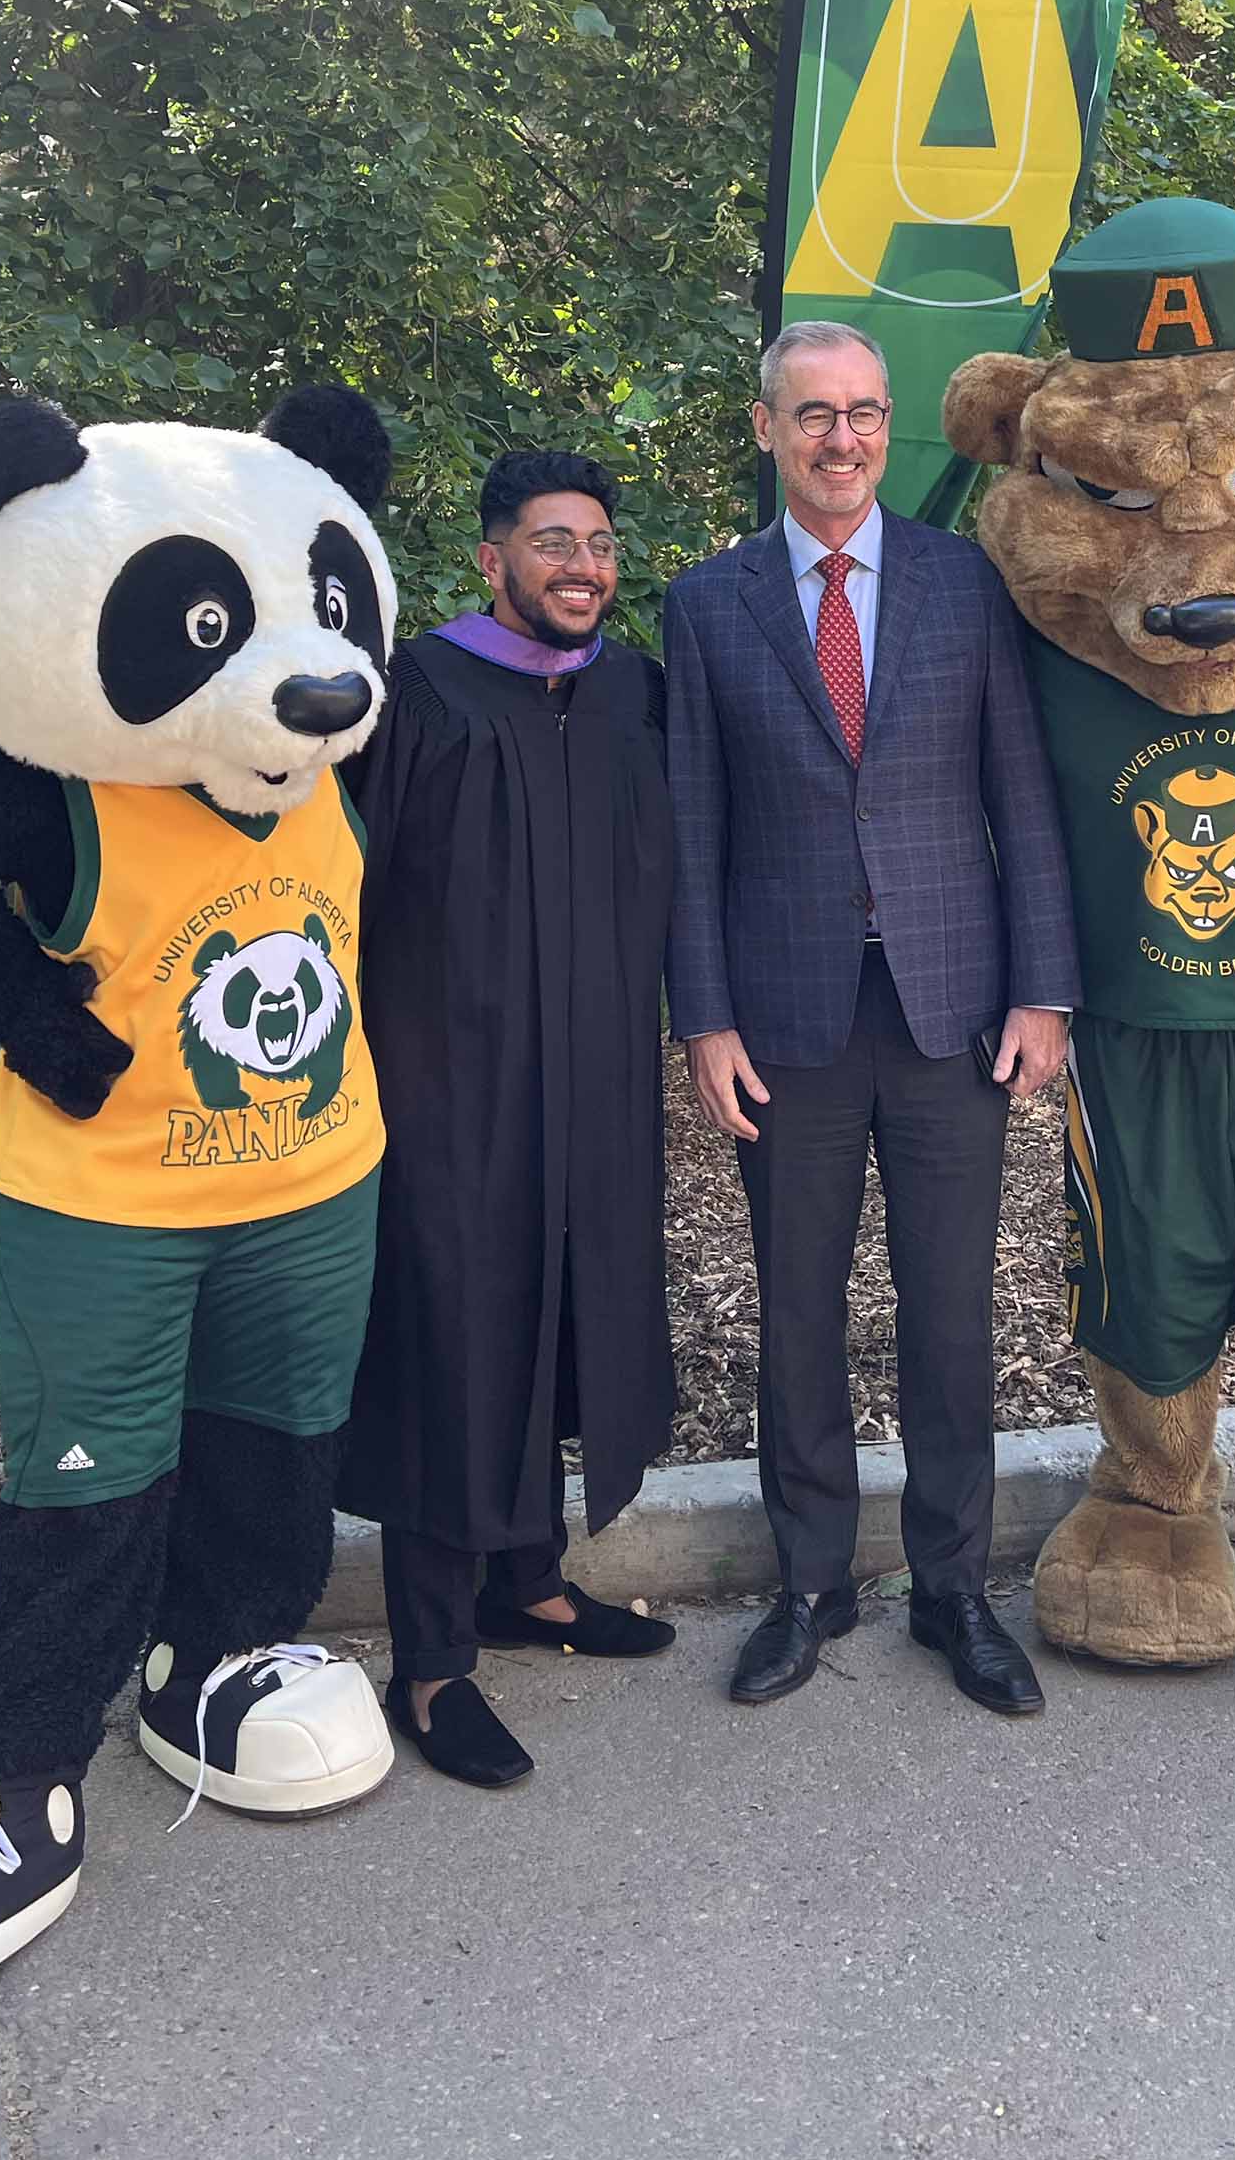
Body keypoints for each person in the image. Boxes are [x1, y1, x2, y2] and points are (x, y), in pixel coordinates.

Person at [665, 322, 1079, 1718]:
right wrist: (703, 1023)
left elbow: (1020, 794)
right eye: (813, 415)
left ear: (888, 426)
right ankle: (812, 1584)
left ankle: (953, 1590)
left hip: (951, 1007)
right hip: (785, 1020)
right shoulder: (709, 604)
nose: (842, 439)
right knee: (799, 1311)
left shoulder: (966, 584)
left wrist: (1042, 987)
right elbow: (692, 831)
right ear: (768, 428)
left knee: (951, 1313)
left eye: (863, 414)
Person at [336, 450, 676, 1788]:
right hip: (445, 1078)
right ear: (491, 561)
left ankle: (526, 1584)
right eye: (551, 543)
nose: (582, 566)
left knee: (566, 1313)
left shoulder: (632, 690)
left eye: (597, 542)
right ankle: (428, 1664)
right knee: (456, 1335)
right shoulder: (414, 690)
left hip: (593, 1078)